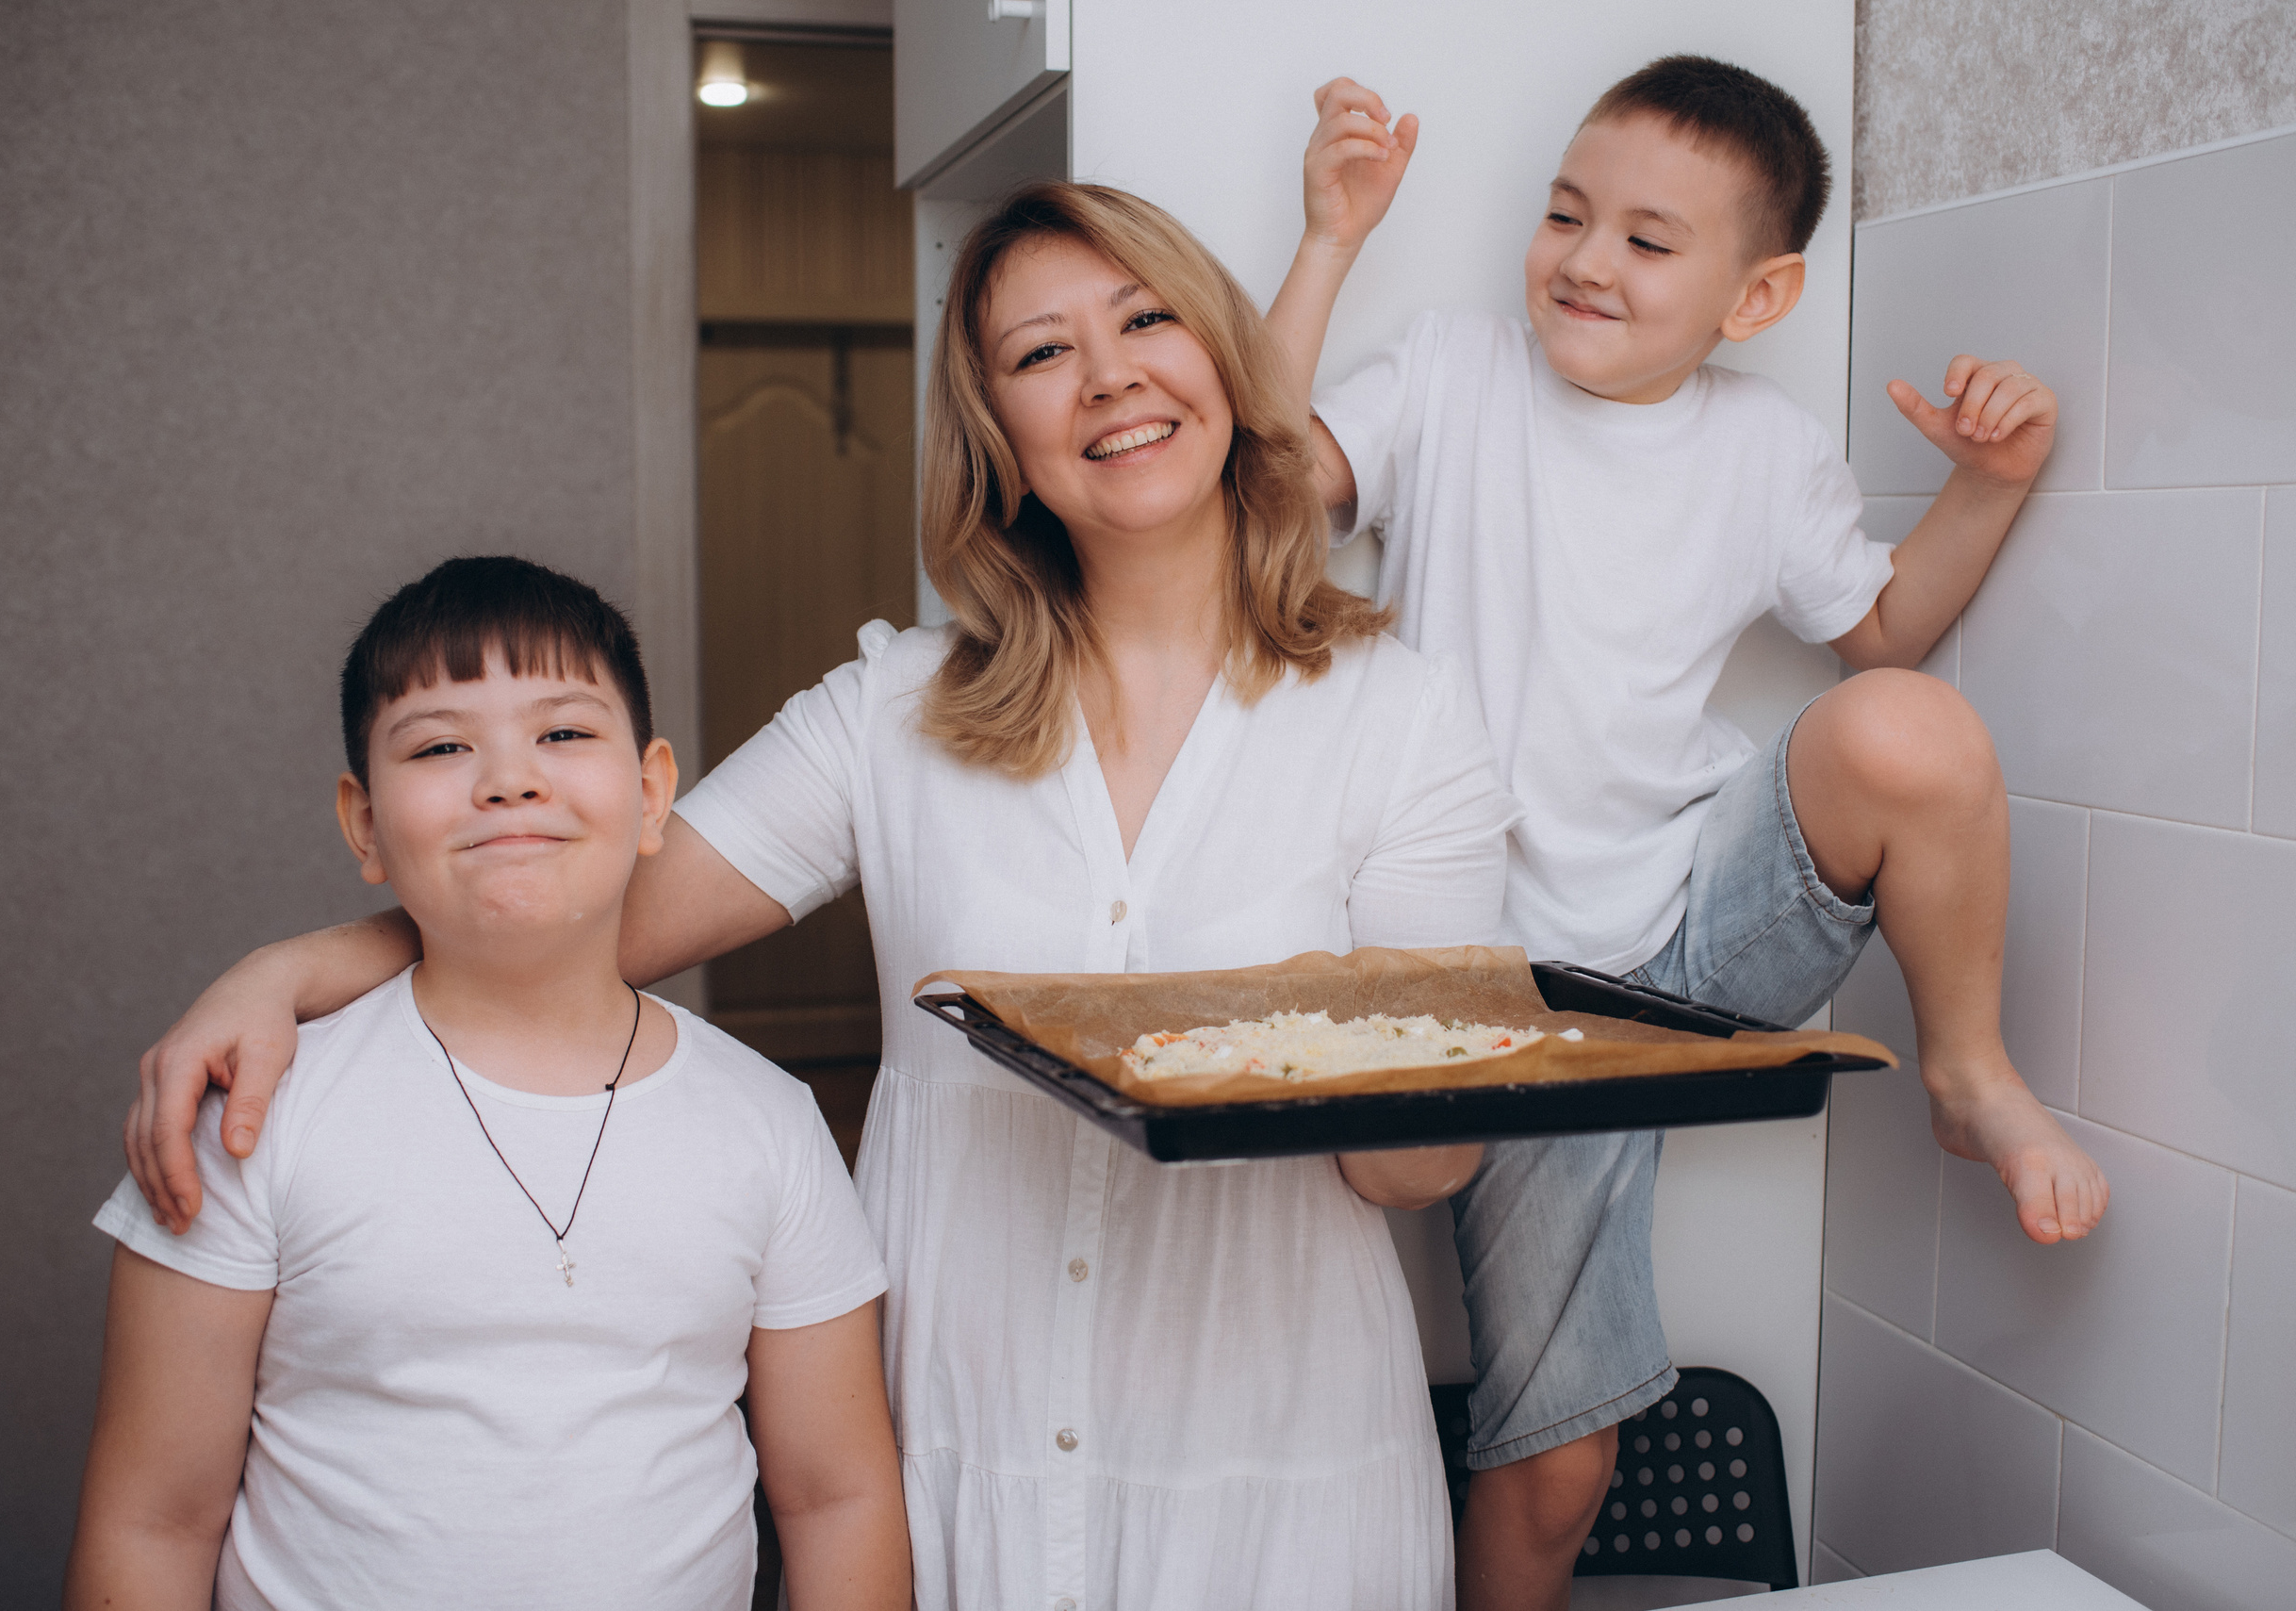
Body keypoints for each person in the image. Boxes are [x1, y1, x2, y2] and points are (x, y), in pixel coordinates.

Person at [122, 185, 1523, 1610]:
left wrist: (1367, 1056)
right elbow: (587, 918)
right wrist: (290, 971)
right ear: (999, 438)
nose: (1108, 376)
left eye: (1146, 319)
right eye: (1042, 353)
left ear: (1224, 357)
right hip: (956, 1468)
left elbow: (1411, 1171)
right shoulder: (893, 711)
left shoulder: (1403, 721)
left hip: (1285, 1481)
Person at [1264, 56, 2113, 1611]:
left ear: (1757, 295)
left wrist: (1991, 482)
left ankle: (1968, 1072)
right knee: (1561, 1465)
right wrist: (1329, 239)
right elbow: (1256, 496)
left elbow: (1882, 632)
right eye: (1565, 214)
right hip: (1492, 1000)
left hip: (1686, 935)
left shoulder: (1761, 449)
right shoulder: (1451, 371)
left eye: (1648, 240)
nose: (1587, 259)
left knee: (1908, 726)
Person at [69, 558, 910, 1611]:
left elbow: (836, 1498)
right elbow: (151, 1520)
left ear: (652, 792)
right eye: (439, 746)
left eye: (563, 732)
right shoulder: (258, 1110)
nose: (509, 779)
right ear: (364, 822)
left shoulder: (768, 1122)